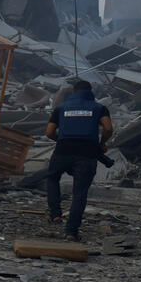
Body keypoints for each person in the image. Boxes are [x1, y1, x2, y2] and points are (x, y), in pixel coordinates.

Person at [46, 78, 113, 242]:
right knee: (79, 194)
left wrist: (62, 140)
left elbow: (49, 132)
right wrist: (102, 143)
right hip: (87, 154)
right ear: (91, 93)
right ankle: (71, 232)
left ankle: (55, 214)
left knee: (53, 178)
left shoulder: (60, 108)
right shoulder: (99, 108)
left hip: (62, 151)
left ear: (74, 92)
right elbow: (109, 128)